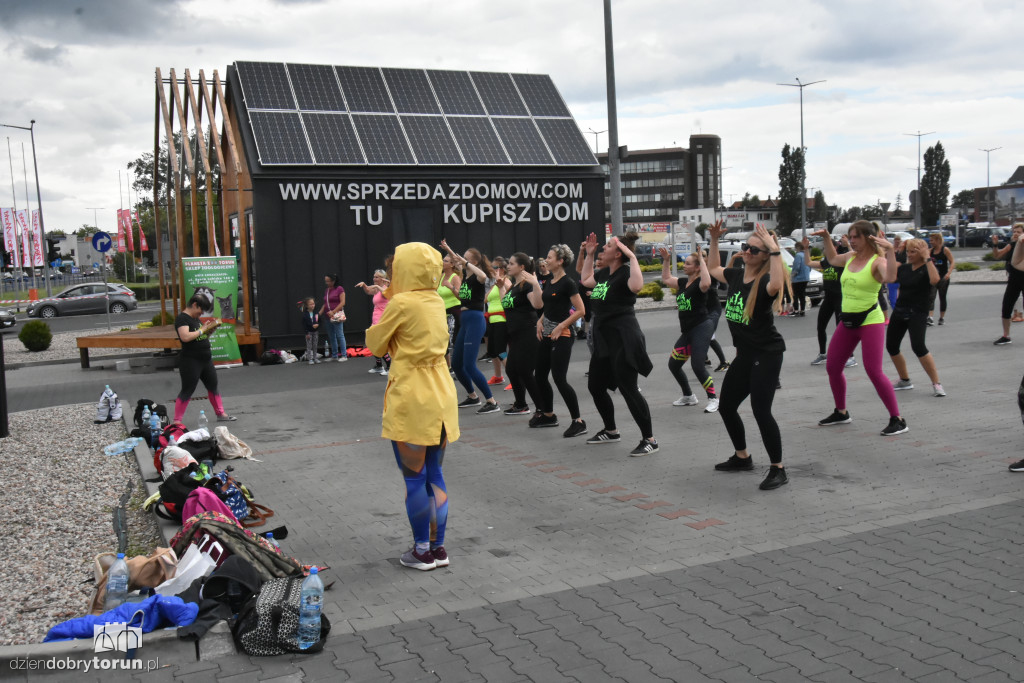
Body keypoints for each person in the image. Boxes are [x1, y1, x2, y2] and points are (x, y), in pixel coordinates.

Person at [365, 242, 459, 571]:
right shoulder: (435, 298)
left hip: (412, 396)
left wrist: (390, 298)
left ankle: (421, 551)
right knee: (435, 474)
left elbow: (375, 343)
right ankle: (439, 548)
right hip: (441, 394)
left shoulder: (400, 303)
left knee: (414, 478)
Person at [706, 221, 789, 490]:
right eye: (746, 247)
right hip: (745, 355)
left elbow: (778, 283)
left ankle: (778, 469)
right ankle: (742, 457)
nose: (748, 252)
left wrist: (775, 249)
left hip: (767, 354)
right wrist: (715, 240)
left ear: (766, 255)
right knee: (727, 405)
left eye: (755, 249)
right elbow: (712, 269)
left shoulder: (765, 280)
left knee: (761, 410)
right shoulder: (736, 274)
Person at [816, 220, 907, 436]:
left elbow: (891, 277)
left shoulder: (878, 262)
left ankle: (898, 419)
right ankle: (841, 412)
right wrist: (827, 238)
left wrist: (890, 251)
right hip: (847, 320)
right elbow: (831, 259)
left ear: (868, 237)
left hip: (870, 321)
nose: (852, 240)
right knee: (833, 367)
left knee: (873, 370)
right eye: (850, 236)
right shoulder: (849, 257)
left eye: (856, 236)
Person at [581, 232, 657, 455]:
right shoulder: (605, 273)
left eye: (607, 247)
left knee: (628, 388)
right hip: (605, 339)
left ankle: (649, 439)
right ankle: (611, 431)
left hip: (624, 336)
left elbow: (636, 287)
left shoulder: (626, 271)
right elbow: (585, 280)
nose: (603, 249)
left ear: (619, 253)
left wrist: (632, 258)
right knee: (595, 385)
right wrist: (589, 254)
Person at [528, 244, 587, 437]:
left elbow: (581, 310)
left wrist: (562, 326)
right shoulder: (551, 282)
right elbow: (550, 306)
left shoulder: (567, 283)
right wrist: (540, 320)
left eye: (550, 257)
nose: (546, 260)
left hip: (562, 336)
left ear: (561, 261)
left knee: (559, 378)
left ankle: (578, 421)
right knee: (540, 375)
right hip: (547, 334)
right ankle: (548, 415)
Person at [440, 239, 500, 414]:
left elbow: (482, 275)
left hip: (475, 319)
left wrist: (464, 262)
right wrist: (448, 248)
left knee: (469, 365)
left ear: (473, 261)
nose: (460, 260)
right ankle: (473, 396)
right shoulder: (465, 278)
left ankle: (492, 401)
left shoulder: (478, 278)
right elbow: (456, 260)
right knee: (457, 364)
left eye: (466, 258)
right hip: (464, 320)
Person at [659, 246, 718, 413]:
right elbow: (666, 278)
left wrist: (702, 259)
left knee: (698, 365)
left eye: (688, 263)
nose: (684, 266)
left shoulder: (701, 283)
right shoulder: (684, 283)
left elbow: (707, 282)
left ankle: (714, 398)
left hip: (701, 327)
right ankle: (689, 396)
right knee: (674, 364)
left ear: (697, 267)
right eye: (684, 263)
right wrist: (666, 260)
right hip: (688, 331)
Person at [886, 238, 945, 396]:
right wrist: (887, 249)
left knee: (918, 347)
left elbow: (935, 280)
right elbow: (890, 276)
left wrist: (927, 258)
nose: (910, 255)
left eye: (914, 252)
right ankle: (904, 380)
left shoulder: (928, 268)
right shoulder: (905, 268)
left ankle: (936, 383)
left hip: (918, 312)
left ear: (923, 252)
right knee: (891, 346)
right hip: (900, 310)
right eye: (908, 252)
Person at [174, 293, 236, 423]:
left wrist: (208, 331)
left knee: (213, 385)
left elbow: (199, 336)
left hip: (205, 359)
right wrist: (203, 330)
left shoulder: (195, 319)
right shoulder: (182, 319)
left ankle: (221, 414)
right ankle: (177, 421)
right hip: (191, 360)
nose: (201, 314)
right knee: (188, 389)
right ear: (195, 305)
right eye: (201, 310)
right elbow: (185, 337)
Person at [501, 253, 543, 415]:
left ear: (522, 267)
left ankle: (542, 409)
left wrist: (536, 284)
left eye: (511, 263)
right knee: (512, 369)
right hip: (515, 334)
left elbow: (538, 304)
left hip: (528, 333)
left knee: (525, 371)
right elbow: (506, 304)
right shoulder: (513, 286)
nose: (508, 266)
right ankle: (521, 404)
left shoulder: (527, 285)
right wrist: (500, 287)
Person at [806, 236, 857, 370]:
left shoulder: (840, 260)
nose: (824, 249)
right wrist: (806, 249)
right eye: (824, 247)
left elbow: (854, 258)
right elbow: (809, 263)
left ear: (834, 248)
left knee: (841, 328)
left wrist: (848, 245)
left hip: (840, 298)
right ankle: (823, 354)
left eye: (827, 246)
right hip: (828, 298)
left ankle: (850, 357)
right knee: (820, 325)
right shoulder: (826, 261)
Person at [992, 223, 1024, 345]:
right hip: (1014, 280)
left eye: (1018, 232)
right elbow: (997, 255)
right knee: (1006, 306)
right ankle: (1006, 336)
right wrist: (995, 244)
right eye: (1014, 231)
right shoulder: (1011, 245)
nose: (1015, 234)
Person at [356, 270, 392, 375]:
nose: (374, 278)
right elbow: (368, 291)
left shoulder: (386, 289)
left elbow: (385, 294)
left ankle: (389, 366)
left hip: (382, 320)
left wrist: (378, 287)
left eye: (377, 277)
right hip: (375, 319)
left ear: (382, 279)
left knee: (379, 343)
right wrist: (364, 285)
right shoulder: (377, 289)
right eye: (374, 276)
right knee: (372, 342)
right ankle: (379, 365)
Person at [484, 257, 509, 385]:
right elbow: (485, 299)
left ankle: (514, 377)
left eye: (494, 268)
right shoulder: (495, 283)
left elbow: (511, 293)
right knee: (492, 351)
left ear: (501, 269)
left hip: (501, 319)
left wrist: (501, 285)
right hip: (492, 319)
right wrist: (495, 285)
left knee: (500, 350)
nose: (491, 270)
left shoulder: (507, 281)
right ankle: (498, 376)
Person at [438, 254, 462, 368]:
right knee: (443, 340)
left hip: (454, 311)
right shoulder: (441, 276)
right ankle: (448, 366)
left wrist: (451, 287)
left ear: (452, 264)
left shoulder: (455, 277)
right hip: (443, 312)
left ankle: (458, 365)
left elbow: (461, 297)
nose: (442, 262)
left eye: (445, 261)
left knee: (453, 340)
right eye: (443, 260)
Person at [926, 232, 954, 326]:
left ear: (938, 240)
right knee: (931, 297)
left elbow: (952, 262)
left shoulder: (945, 250)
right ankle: (930, 317)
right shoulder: (930, 251)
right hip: (934, 278)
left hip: (943, 278)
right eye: (930, 240)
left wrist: (949, 273)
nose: (931, 242)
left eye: (932, 240)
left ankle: (941, 318)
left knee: (942, 297)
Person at [320, 274, 348, 362]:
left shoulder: (339, 289)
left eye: (328, 281)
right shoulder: (327, 290)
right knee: (331, 336)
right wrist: (319, 313)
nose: (327, 283)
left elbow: (343, 302)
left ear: (333, 281)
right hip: (327, 316)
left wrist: (333, 311)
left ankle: (344, 355)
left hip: (336, 315)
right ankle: (334, 355)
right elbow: (325, 303)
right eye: (326, 281)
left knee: (340, 335)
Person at [790, 241, 811, 317]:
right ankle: (802, 310)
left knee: (795, 294)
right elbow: (810, 265)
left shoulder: (798, 255)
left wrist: (792, 276)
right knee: (802, 294)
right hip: (805, 277)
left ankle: (796, 310)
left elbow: (796, 267)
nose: (795, 249)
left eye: (795, 248)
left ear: (798, 247)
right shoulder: (806, 254)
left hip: (798, 278)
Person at [300, 297, 321, 365]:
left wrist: (318, 325)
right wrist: (306, 333)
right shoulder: (305, 314)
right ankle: (310, 359)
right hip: (309, 332)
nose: (312, 305)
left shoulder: (316, 312)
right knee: (309, 346)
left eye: (313, 304)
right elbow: (304, 325)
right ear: (307, 306)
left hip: (315, 331)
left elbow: (320, 320)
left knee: (315, 345)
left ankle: (315, 358)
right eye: (310, 304)